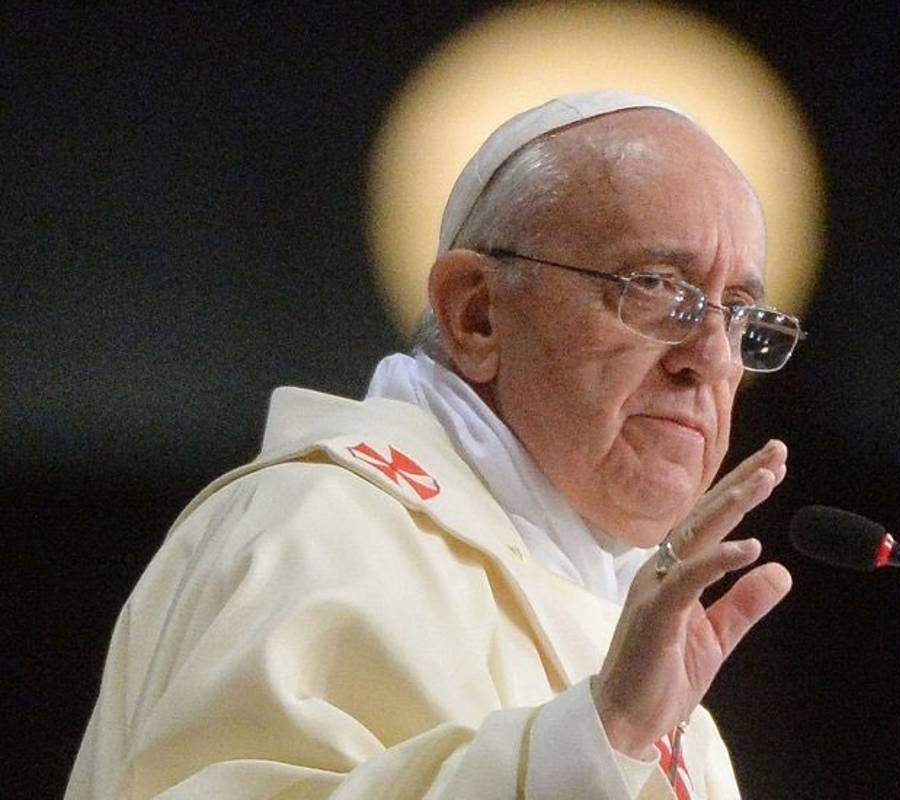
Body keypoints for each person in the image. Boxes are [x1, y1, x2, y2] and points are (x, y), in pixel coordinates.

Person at [67, 90, 808, 799]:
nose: (711, 358)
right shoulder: (321, 527)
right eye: (656, 288)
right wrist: (593, 741)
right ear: (476, 315)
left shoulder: (652, 663)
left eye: (740, 314)